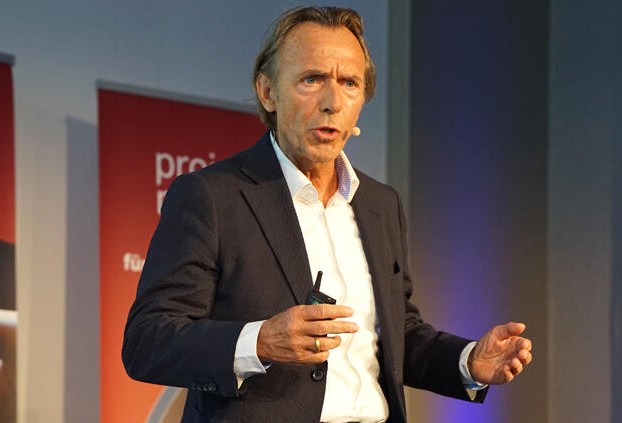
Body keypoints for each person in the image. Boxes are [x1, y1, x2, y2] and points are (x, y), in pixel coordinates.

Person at [122, 6, 532, 423]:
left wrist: (467, 361)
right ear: (268, 92)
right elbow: (147, 341)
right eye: (312, 79)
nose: (333, 102)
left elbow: (396, 336)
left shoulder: (380, 205)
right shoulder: (212, 196)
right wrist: (258, 341)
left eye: (349, 83)